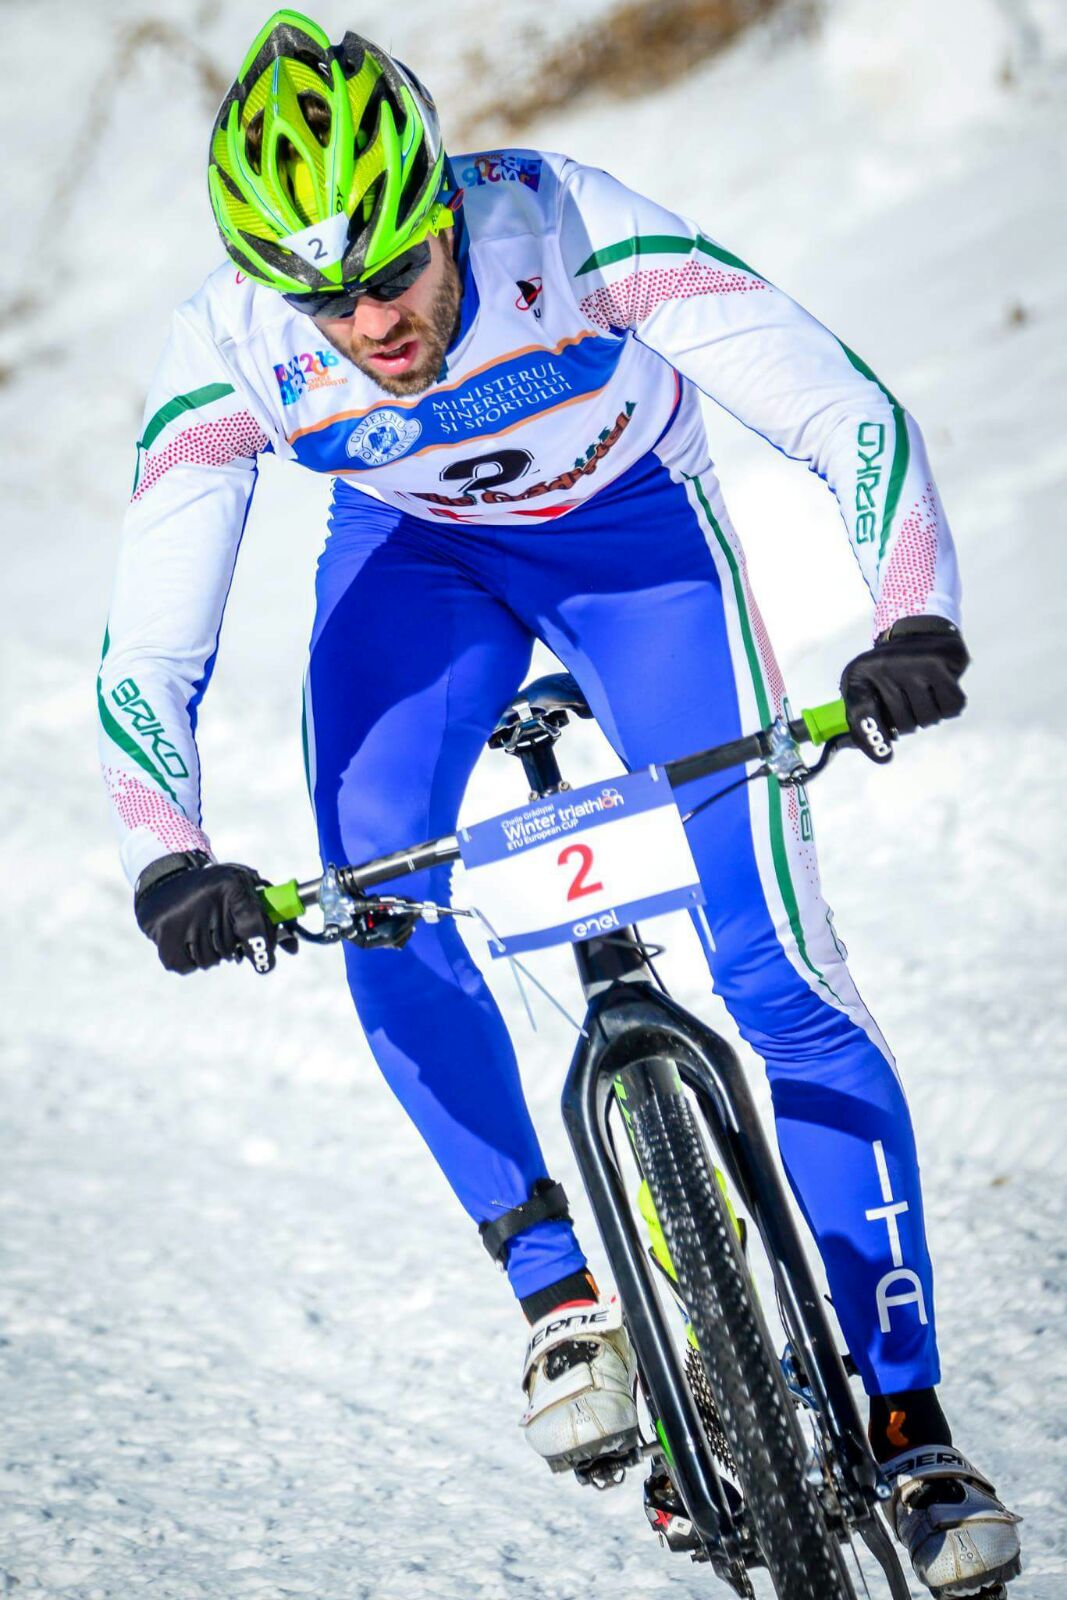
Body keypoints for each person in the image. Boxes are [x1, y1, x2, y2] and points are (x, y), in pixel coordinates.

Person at [98, 12, 1020, 1594]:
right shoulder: (239, 340)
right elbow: (152, 640)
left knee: (775, 969)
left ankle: (908, 1424)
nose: (371, 322)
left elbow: (843, 410)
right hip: (418, 570)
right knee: (375, 894)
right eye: (328, 294)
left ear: (443, 205)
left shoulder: (571, 225)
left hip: (635, 545)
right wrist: (168, 855)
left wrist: (909, 619)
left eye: (393, 272)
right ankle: (562, 1301)